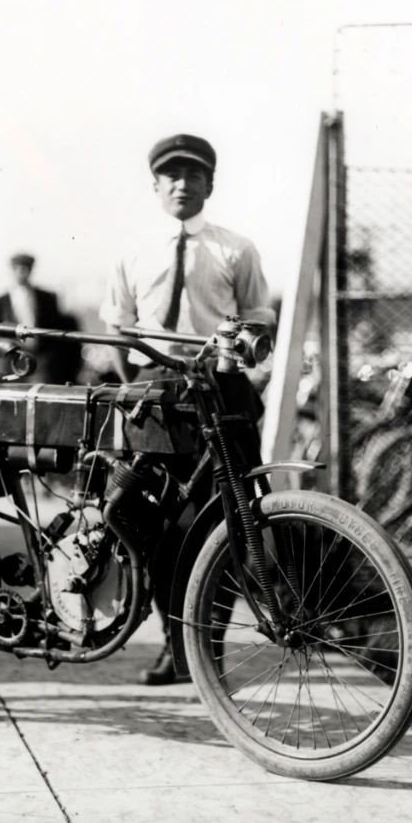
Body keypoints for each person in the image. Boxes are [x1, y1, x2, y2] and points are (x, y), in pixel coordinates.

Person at [99, 133, 274, 685]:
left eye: (193, 175)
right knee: (141, 517)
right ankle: (175, 642)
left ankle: (207, 650)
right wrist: (139, 385)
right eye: (170, 175)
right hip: (155, 398)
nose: (181, 183)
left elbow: (259, 318)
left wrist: (235, 370)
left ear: (210, 185)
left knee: (220, 520)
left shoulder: (235, 249)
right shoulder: (134, 251)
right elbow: (117, 327)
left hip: (219, 395)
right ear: (155, 186)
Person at [0, 252, 73, 382]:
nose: (22, 272)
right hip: (10, 360)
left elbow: (56, 329)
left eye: (25, 269)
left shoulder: (47, 298)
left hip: (39, 360)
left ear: (31, 270)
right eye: (18, 268)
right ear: (12, 270)